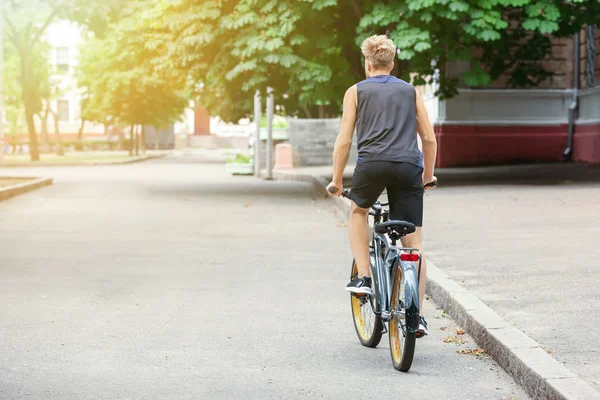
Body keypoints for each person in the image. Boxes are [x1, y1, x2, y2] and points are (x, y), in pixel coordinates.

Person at [326, 34, 437, 337]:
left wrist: (337, 181)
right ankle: (419, 317)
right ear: (391, 63)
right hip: (408, 167)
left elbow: (345, 140)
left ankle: (363, 277)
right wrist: (427, 177)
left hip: (372, 166)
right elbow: (428, 139)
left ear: (367, 63)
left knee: (358, 212)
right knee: (414, 243)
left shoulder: (356, 91)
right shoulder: (411, 91)